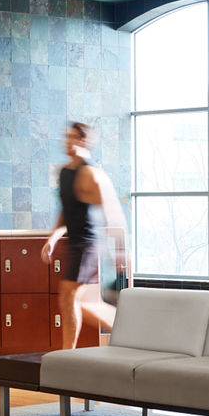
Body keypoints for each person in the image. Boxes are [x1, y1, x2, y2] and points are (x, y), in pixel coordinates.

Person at [41, 122, 127, 349]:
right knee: (89, 303)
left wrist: (120, 253)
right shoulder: (65, 173)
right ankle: (131, 329)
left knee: (67, 297)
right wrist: (53, 238)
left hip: (88, 245)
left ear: (83, 141)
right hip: (75, 244)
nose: (67, 141)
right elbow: (66, 211)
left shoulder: (92, 174)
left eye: (72, 137)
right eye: (66, 137)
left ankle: (67, 355)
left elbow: (114, 213)